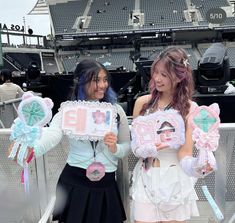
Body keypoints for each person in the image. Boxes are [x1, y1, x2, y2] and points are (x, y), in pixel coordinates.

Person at [9, 58, 131, 223]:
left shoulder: (115, 111)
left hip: (106, 183)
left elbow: (126, 146)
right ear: (81, 82)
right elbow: (53, 134)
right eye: (96, 80)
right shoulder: (68, 110)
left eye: (105, 80)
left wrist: (115, 148)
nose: (103, 85)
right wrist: (33, 149)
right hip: (75, 181)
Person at [130, 46, 214, 223]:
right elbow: (135, 146)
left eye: (164, 74)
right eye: (155, 73)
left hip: (175, 179)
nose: (157, 79)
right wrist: (146, 149)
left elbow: (185, 153)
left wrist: (199, 165)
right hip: (147, 176)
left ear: (179, 76)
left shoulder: (191, 109)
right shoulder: (142, 103)